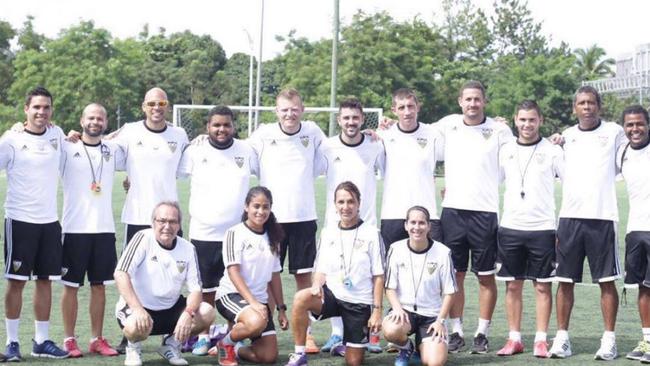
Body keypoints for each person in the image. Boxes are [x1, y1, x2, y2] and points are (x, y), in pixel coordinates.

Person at [548, 86, 626, 360]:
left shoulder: (615, 132)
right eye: (581, 103)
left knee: (606, 282)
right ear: (574, 108)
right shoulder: (566, 137)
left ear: (599, 106)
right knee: (564, 280)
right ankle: (562, 339)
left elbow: (632, 153)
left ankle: (609, 340)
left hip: (602, 218)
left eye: (591, 103)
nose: (587, 107)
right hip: (569, 219)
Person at [434, 80, 513, 353]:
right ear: (460, 102)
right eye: (468, 99)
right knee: (454, 275)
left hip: (485, 212)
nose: (472, 104)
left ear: (484, 102)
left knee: (485, 276)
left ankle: (482, 332)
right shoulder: (447, 125)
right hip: (453, 211)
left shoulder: (500, 130)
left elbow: (512, 162)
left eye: (477, 99)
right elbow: (414, 131)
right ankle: (456, 331)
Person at [248, 88, 325, 352]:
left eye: (294, 109)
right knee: (267, 277)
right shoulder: (263, 134)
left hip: (304, 217)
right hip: (272, 220)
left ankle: (308, 333)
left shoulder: (313, 132)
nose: (289, 114)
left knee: (305, 278)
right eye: (284, 110)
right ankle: (262, 331)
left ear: (302, 110)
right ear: (276, 111)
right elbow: (243, 156)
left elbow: (329, 156)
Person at [178, 106, 259, 355]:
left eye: (226, 125)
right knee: (206, 288)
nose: (221, 129)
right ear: (208, 127)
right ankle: (203, 335)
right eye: (216, 125)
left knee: (234, 287)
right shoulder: (195, 150)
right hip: (203, 232)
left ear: (233, 126)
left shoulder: (246, 151)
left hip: (236, 234)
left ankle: (232, 333)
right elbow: (173, 172)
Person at [0, 86, 69, 360]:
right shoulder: (11, 139)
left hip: (49, 222)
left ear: (51, 110)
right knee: (16, 282)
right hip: (20, 221)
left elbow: (79, 144)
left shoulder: (57, 134)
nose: (42, 112)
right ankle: (12, 342)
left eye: (46, 107)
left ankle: (41, 341)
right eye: (36, 107)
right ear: (26, 109)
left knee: (45, 281)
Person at [286, 181, 384, 366]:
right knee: (301, 297)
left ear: (358, 203)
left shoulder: (372, 233)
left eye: (350, 202)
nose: (345, 207)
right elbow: (321, 269)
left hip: (359, 303)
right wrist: (316, 285)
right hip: (332, 296)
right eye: (341, 202)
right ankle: (300, 354)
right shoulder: (328, 232)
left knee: (354, 362)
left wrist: (377, 311)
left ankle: (344, 344)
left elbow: (378, 276)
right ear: (335, 204)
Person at [494, 100, 564, 357]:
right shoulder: (504, 149)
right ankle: (514, 338)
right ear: (515, 120)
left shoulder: (553, 151)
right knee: (512, 286)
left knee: (543, 286)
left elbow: (569, 183)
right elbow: (491, 179)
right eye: (522, 120)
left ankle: (541, 339)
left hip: (543, 228)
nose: (527, 124)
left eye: (532, 120)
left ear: (540, 121)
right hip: (510, 227)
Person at [317, 98, 385, 353]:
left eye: (355, 118)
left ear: (363, 119)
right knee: (334, 275)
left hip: (366, 225)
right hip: (335, 225)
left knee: (370, 276)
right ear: (339, 120)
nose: (351, 122)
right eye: (346, 118)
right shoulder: (327, 146)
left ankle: (372, 332)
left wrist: (384, 128)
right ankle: (337, 333)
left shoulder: (376, 145)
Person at [114, 201, 215, 366]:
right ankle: (133, 347)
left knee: (207, 312)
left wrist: (188, 313)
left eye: (172, 222)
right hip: (139, 308)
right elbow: (120, 273)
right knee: (133, 326)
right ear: (153, 222)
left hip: (170, 309)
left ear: (179, 225)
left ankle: (171, 345)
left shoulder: (188, 248)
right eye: (162, 221)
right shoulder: (143, 238)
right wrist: (138, 309)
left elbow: (196, 290)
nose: (167, 226)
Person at [59, 103, 124, 357]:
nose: (95, 122)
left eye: (100, 118)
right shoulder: (67, 147)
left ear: (106, 123)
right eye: (90, 118)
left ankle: (96, 338)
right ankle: (68, 339)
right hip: (75, 229)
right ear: (82, 120)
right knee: (71, 286)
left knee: (100, 286)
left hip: (104, 230)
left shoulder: (113, 149)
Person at [213, 186, 289, 366]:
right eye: (256, 206)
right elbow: (233, 272)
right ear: (246, 207)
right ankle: (225, 344)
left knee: (268, 357)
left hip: (259, 302)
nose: (261, 211)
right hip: (231, 296)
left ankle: (237, 348)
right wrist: (253, 303)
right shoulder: (234, 233)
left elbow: (275, 275)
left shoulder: (273, 237)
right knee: (256, 321)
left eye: (266, 207)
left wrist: (281, 309)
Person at [111, 87, 189, 245]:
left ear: (167, 106)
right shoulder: (129, 130)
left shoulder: (179, 134)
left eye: (162, 103)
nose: (157, 107)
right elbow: (101, 146)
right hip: (137, 216)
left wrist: (203, 139)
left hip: (170, 218)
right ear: (143, 106)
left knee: (173, 267)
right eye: (152, 103)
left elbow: (188, 162)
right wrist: (78, 136)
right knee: (132, 268)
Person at [383, 206, 456, 366]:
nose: (417, 227)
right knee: (391, 329)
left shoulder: (443, 252)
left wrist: (440, 321)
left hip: (431, 316)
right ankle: (406, 348)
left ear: (429, 226)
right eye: (413, 222)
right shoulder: (396, 249)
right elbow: (389, 287)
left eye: (422, 223)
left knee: (434, 362)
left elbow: (450, 292)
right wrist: (397, 308)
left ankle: (420, 348)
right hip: (405, 312)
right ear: (406, 225)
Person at [378, 88, 443, 247]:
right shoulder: (383, 136)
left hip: (427, 214)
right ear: (394, 110)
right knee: (392, 269)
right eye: (401, 107)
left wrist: (493, 123)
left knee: (431, 266)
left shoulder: (433, 134)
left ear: (417, 107)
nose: (407, 112)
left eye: (410, 106)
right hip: (393, 214)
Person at [616, 105, 650, 362]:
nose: (635, 129)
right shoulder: (623, 152)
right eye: (630, 125)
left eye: (639, 124)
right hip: (636, 231)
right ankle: (648, 342)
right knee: (644, 288)